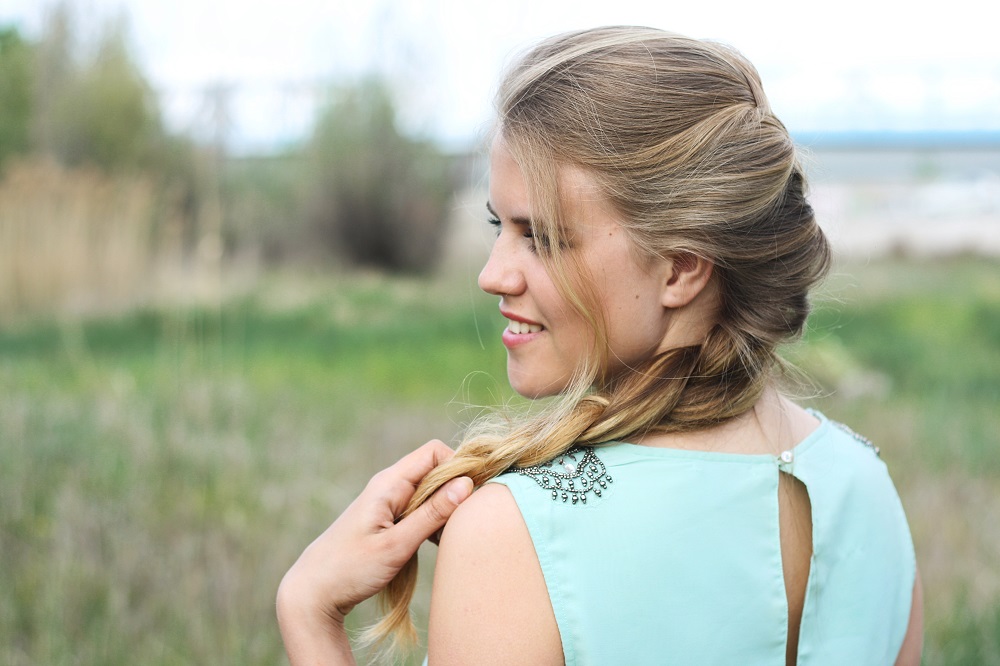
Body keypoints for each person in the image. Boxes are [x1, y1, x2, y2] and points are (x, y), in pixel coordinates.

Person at [277, 26, 923, 665]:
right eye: (499, 226)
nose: (492, 274)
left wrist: (310, 616)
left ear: (680, 268)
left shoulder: (516, 537)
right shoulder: (865, 488)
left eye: (545, 237)